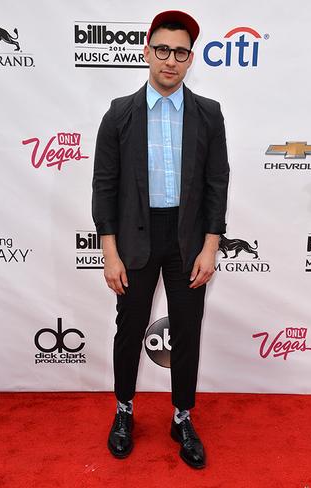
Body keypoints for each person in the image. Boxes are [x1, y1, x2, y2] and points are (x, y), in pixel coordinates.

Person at [92, 10, 229, 469]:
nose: (171, 61)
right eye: (163, 50)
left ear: (191, 59)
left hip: (188, 241)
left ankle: (181, 416)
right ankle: (125, 410)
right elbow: (104, 186)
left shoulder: (208, 114)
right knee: (129, 330)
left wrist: (211, 245)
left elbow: (216, 183)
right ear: (147, 51)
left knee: (187, 331)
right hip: (133, 238)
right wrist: (109, 254)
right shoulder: (119, 114)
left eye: (182, 53)